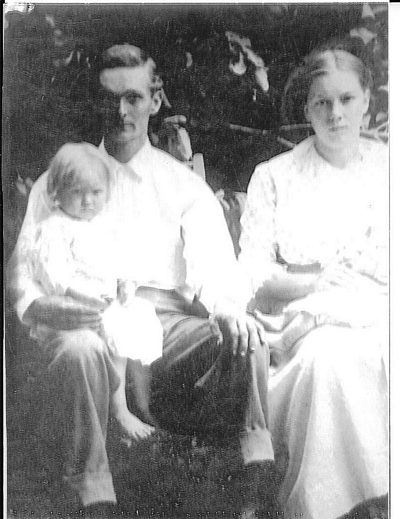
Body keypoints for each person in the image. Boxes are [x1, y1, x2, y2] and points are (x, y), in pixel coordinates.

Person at [8, 43, 277, 517]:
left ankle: (251, 474)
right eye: (109, 98)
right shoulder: (65, 174)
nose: (121, 111)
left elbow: (214, 268)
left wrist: (229, 308)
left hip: (167, 326)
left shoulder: (182, 184)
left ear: (154, 101)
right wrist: (39, 307)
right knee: (77, 348)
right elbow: (25, 271)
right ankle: (93, 494)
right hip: (85, 315)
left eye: (132, 98)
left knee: (245, 338)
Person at [239, 42, 389, 519]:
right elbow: (253, 274)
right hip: (301, 326)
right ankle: (326, 505)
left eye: (346, 99)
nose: (336, 114)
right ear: (306, 108)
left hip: (380, 311)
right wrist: (317, 283)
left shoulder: (392, 169)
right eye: (322, 102)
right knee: (329, 361)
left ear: (367, 100)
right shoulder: (275, 176)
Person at [20, 141, 163, 443]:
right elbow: (51, 273)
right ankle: (120, 409)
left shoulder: (103, 226)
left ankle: (143, 402)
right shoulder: (54, 228)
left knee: (139, 317)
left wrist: (126, 283)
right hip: (73, 306)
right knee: (113, 331)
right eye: (77, 193)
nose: (87, 202)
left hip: (107, 300)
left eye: (96, 193)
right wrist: (79, 295)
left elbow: (121, 260)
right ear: (57, 193)